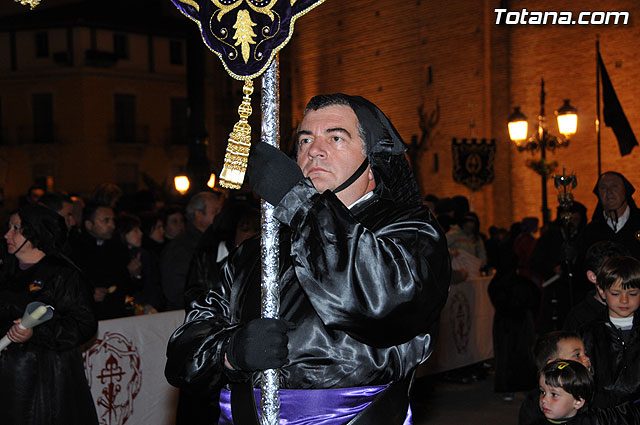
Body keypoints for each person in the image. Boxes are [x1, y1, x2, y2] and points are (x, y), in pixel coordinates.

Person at [165, 93, 451, 424]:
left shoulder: (410, 232)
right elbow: (183, 355)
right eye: (304, 139)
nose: (314, 149)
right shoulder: (252, 253)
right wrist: (230, 352)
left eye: (336, 137)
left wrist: (298, 200)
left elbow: (382, 299)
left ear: (373, 164)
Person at [0, 203, 98, 425]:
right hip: (7, 379)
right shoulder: (6, 271)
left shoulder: (62, 275)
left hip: (44, 382)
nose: (7, 234)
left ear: (35, 232)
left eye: (16, 228)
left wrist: (36, 332)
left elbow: (83, 323)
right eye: (8, 227)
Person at [580, 255, 640, 408]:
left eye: (632, 294)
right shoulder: (588, 333)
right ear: (601, 291)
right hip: (603, 414)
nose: (624, 300)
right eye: (615, 293)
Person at [70, 202, 139, 319]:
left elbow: (128, 286)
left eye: (113, 220)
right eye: (106, 221)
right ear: (89, 224)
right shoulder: (75, 249)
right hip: (89, 315)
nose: (112, 225)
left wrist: (134, 274)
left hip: (117, 313)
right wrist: (88, 293)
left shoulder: (118, 247)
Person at [161, 191, 223, 310]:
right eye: (215, 212)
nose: (219, 216)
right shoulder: (181, 247)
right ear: (199, 215)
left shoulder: (214, 241)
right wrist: (204, 308)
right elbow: (175, 290)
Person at [519, 330, 592, 425]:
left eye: (585, 353)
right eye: (577, 355)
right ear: (553, 365)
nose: (587, 358)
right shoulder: (533, 405)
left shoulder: (594, 394)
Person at [535, 360, 640, 425]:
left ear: (578, 401)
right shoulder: (534, 420)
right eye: (543, 392)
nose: (544, 400)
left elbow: (629, 414)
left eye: (554, 395)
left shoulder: (596, 419)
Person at [563, 241, 630, 332]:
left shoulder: (632, 307)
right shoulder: (580, 318)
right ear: (593, 277)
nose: (620, 279)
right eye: (612, 274)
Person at [115, 213, 164, 313]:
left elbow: (152, 284)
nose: (141, 233)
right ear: (124, 234)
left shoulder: (144, 255)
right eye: (135, 230)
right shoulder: (117, 256)